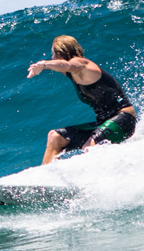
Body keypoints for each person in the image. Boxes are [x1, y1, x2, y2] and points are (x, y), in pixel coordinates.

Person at [26, 35, 137, 164]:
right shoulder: (73, 73)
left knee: (89, 148)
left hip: (124, 120)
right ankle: (45, 177)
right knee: (55, 137)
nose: (52, 58)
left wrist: (44, 65)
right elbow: (65, 67)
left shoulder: (82, 65)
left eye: (53, 54)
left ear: (60, 54)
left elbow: (68, 65)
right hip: (103, 122)